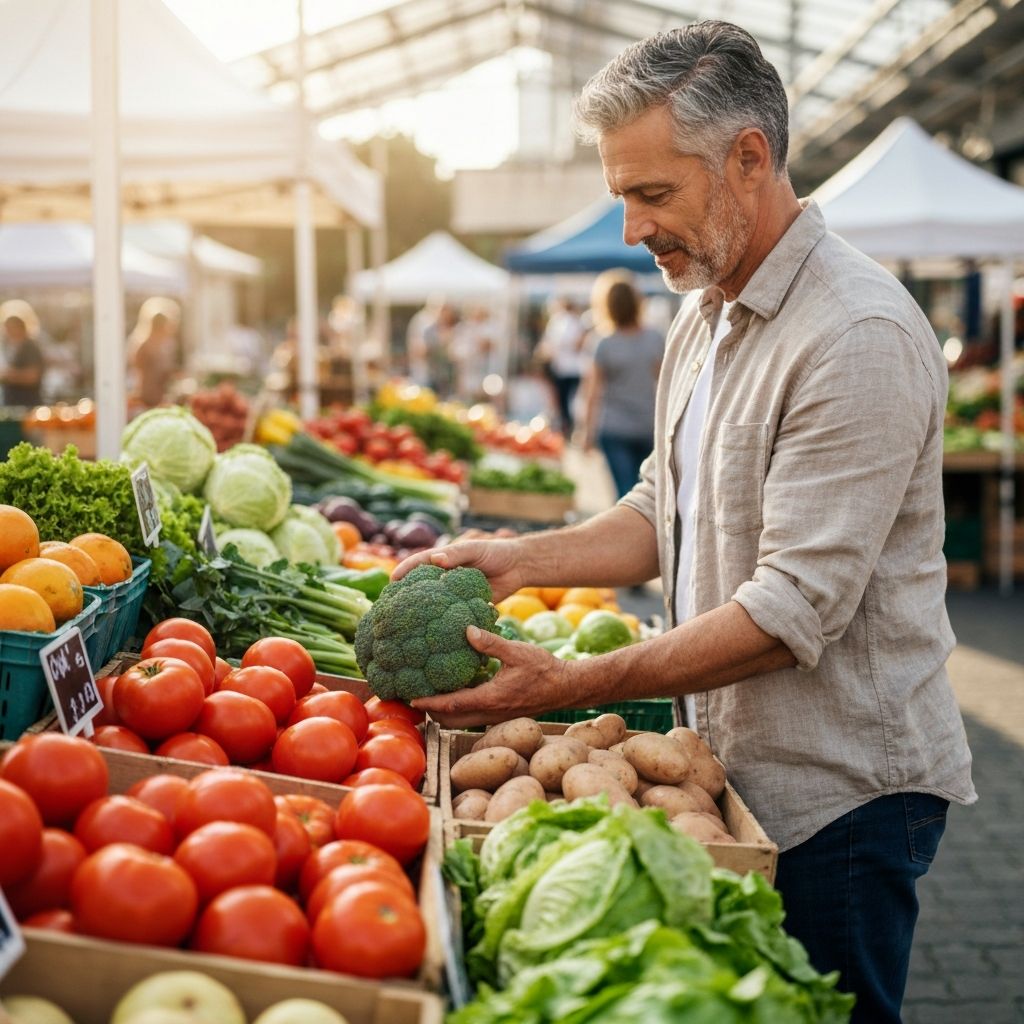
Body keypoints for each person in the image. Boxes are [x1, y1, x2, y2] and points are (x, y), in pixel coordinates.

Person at [396, 21, 975, 1024]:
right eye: (622, 195)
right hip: (734, 777)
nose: (629, 231)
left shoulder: (856, 335)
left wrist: (573, 684)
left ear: (747, 160)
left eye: (651, 194)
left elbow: (789, 610)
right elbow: (661, 506)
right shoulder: (705, 313)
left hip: (840, 798)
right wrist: (514, 559)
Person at [580, 273, 664, 497]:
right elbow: (667, 385)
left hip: (614, 427)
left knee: (625, 493)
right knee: (647, 493)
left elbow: (592, 393)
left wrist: (586, 432)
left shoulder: (603, 343)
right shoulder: (654, 338)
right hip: (648, 425)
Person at [537, 297, 588, 435]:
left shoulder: (558, 321)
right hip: (573, 367)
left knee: (564, 400)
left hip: (564, 367)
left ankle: (567, 426)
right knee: (571, 400)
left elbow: (549, 345)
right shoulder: (575, 322)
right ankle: (569, 427)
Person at [128, 297, 181, 409]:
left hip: (158, 395)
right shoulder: (144, 346)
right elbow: (138, 370)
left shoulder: (162, 346)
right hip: (146, 395)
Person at [0, 300, 45, 408]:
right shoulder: (9, 346)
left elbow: (32, 377)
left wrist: (7, 375)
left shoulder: (30, 347)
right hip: (11, 404)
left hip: (27, 404)